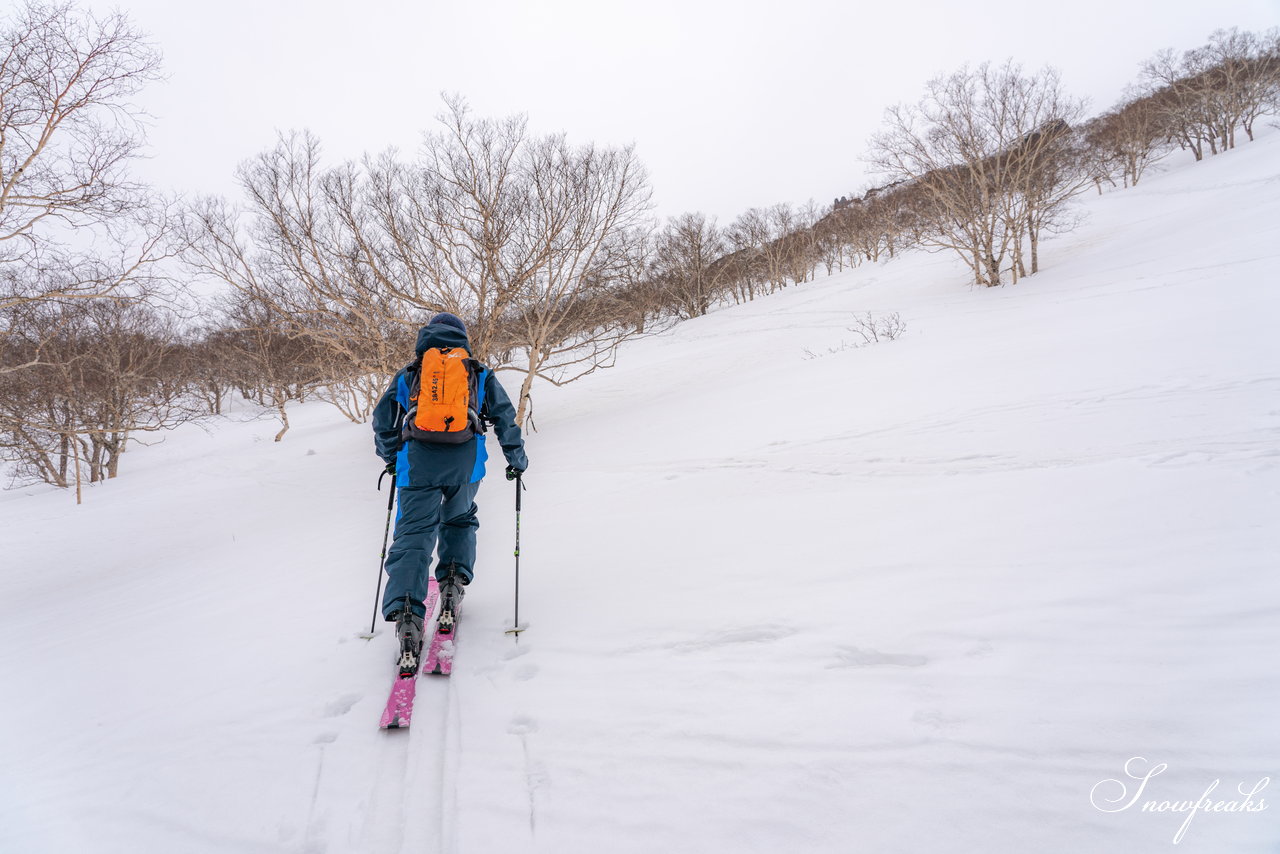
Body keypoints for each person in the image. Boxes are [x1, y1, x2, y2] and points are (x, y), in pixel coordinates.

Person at [372, 312, 528, 672]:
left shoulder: (411, 373)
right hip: (465, 463)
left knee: (413, 535)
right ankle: (453, 583)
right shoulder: (477, 371)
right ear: (462, 338)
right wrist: (516, 459)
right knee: (458, 520)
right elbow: (505, 417)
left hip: (418, 464)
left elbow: (383, 421)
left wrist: (392, 458)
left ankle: (408, 616)